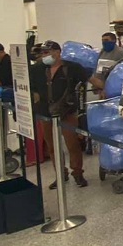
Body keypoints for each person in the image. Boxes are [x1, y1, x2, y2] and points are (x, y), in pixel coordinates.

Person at [36, 40, 90, 188]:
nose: (44, 55)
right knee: (52, 146)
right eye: (42, 53)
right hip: (45, 113)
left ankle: (77, 173)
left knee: (72, 144)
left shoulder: (73, 68)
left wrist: (102, 87)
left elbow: (86, 81)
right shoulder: (37, 69)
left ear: (57, 52)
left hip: (67, 111)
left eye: (47, 52)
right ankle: (60, 174)